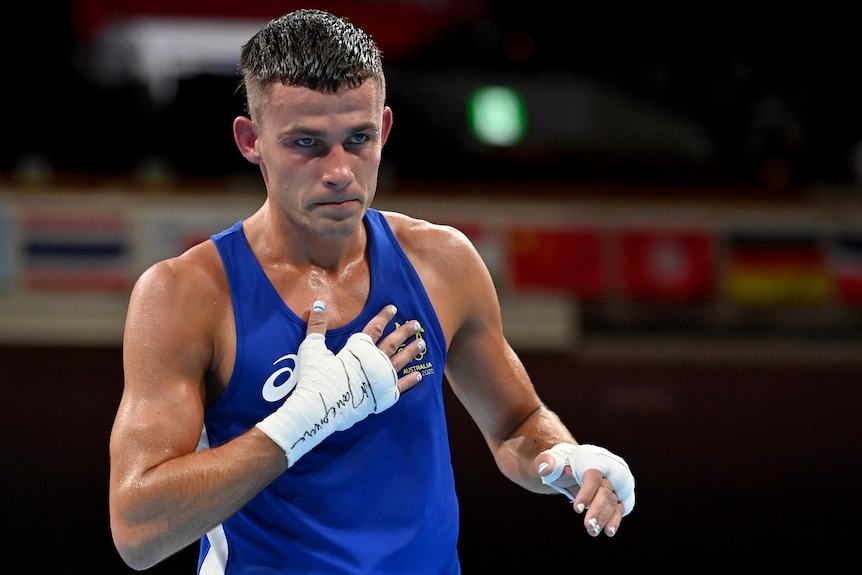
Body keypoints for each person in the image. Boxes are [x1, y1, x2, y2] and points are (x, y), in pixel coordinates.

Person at [108, 8, 635, 574]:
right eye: (307, 143)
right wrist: (304, 420)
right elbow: (139, 531)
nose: (338, 171)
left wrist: (567, 458)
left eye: (357, 139)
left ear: (384, 129)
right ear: (250, 140)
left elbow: (516, 425)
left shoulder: (442, 263)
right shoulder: (186, 294)